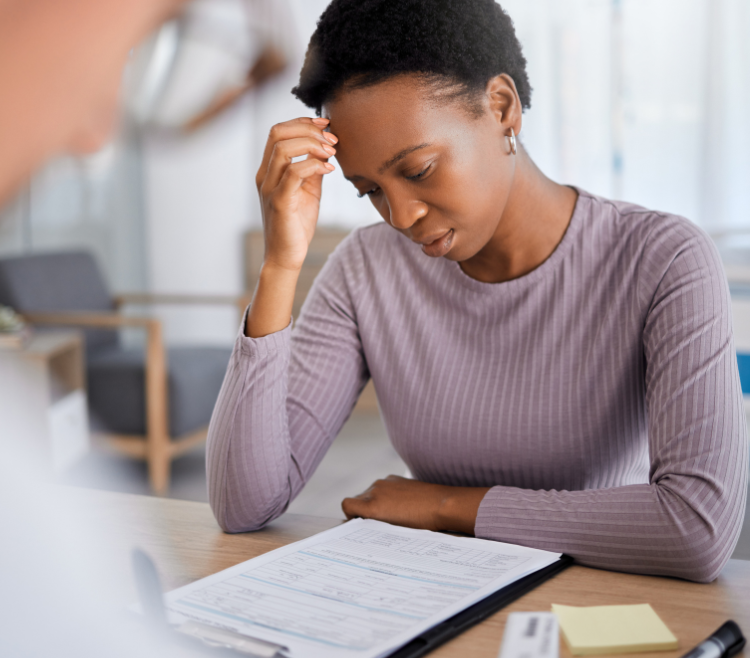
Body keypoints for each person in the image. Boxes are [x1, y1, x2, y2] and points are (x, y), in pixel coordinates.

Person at [206, 0, 748, 583]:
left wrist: (445, 506)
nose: (401, 215)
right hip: (440, 606)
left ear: (501, 107)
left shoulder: (663, 259)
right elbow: (244, 506)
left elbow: (696, 528)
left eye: (417, 170)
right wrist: (281, 265)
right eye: (369, 191)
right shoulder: (366, 269)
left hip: (604, 608)